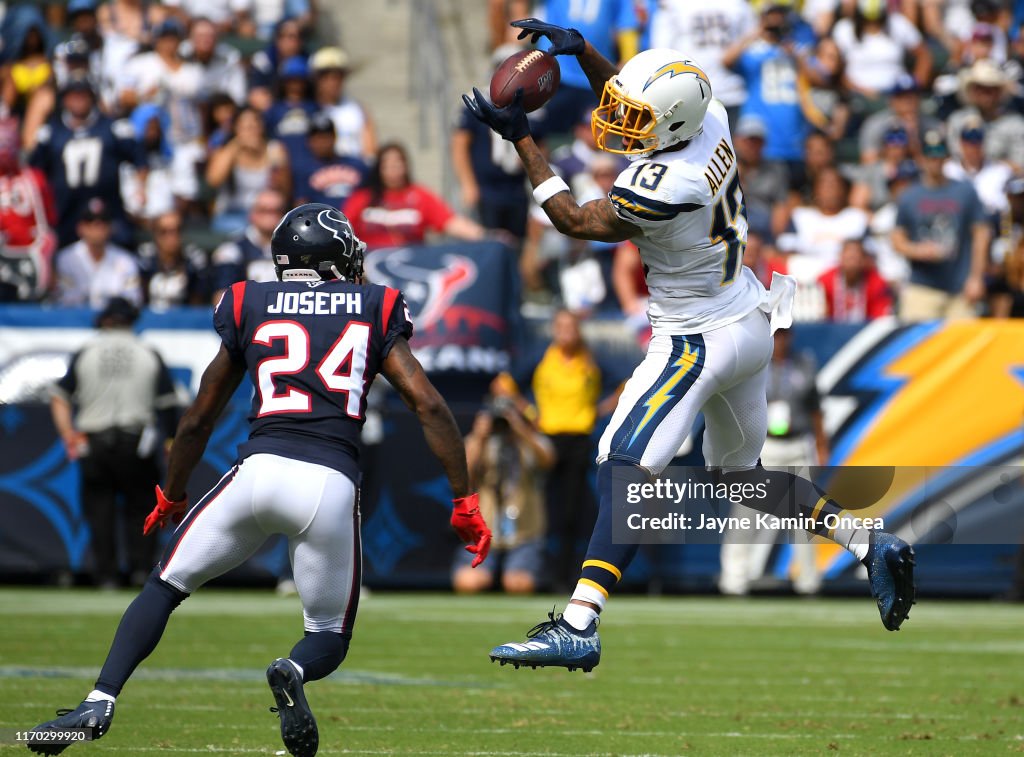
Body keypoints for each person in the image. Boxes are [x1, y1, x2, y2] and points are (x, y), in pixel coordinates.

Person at [464, 19, 916, 672]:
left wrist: (520, 138)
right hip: (749, 322)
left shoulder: (666, 184)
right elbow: (635, 102)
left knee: (622, 465)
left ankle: (579, 622)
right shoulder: (712, 120)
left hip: (695, 340)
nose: (616, 118)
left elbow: (571, 218)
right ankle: (868, 540)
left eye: (633, 116)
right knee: (743, 477)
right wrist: (584, 51)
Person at [27, 203, 492, 757]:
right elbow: (431, 407)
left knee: (164, 587)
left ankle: (100, 698)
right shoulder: (375, 304)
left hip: (255, 473)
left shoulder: (249, 300)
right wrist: (464, 499)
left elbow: (199, 415)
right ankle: (292, 668)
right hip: (328, 482)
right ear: (332, 257)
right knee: (327, 636)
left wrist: (172, 492)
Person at [49, 297, 180, 589]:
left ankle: (106, 576)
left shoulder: (87, 350)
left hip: (94, 440)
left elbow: (59, 396)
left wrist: (69, 434)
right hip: (137, 442)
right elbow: (168, 405)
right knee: (141, 510)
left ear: (105, 320)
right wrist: (170, 441)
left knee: (99, 511)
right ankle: (140, 572)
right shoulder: (148, 352)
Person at [719, 327, 828, 596]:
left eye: (785, 335)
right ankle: (733, 580)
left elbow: (815, 408)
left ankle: (808, 581)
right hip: (764, 445)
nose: (781, 341)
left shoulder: (804, 365)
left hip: (798, 442)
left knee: (805, 519)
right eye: (776, 335)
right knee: (746, 514)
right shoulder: (755, 366)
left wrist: (822, 445)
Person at [29, 73, 145, 249]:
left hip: (109, 212)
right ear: (64, 99)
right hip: (65, 213)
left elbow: (139, 158)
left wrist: (140, 190)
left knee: (124, 247)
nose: (78, 99)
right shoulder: (50, 132)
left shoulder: (113, 127)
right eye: (73, 94)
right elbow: (35, 171)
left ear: (92, 97)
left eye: (83, 94)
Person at [453, 396, 554, 595]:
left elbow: (548, 460)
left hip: (524, 531)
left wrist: (520, 429)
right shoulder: (480, 442)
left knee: (518, 584)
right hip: (484, 531)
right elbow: (462, 474)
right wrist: (479, 436)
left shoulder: (529, 441)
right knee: (468, 582)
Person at [890, 130, 990, 320]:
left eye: (938, 154)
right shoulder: (910, 196)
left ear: (946, 157)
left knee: (965, 345)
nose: (934, 160)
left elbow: (981, 234)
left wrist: (976, 277)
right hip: (922, 287)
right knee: (915, 344)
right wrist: (917, 250)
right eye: (929, 154)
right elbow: (897, 239)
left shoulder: (965, 191)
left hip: (959, 287)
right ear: (921, 157)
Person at [344, 143, 484, 250]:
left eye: (397, 164)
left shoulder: (420, 196)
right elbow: (342, 232)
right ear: (379, 169)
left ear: (406, 166)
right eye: (387, 165)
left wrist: (485, 235)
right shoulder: (362, 198)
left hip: (409, 263)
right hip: (368, 267)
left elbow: (450, 222)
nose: (393, 169)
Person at [53, 198, 143, 308]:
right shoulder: (66, 259)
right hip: (75, 322)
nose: (97, 226)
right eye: (90, 221)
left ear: (110, 227)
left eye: (103, 221)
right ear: (80, 227)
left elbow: (133, 301)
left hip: (115, 323)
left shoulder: (126, 260)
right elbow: (66, 302)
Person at [209, 188, 286, 299]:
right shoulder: (232, 249)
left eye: (277, 211)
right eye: (264, 210)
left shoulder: (295, 248)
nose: (271, 216)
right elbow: (221, 297)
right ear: (252, 214)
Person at [291, 112, 368, 207]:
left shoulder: (358, 165)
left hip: (352, 219)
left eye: (326, 137)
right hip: (319, 219)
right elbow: (300, 204)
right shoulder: (302, 170)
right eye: (318, 138)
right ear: (309, 141)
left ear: (335, 138)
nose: (322, 143)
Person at [817, 237, 893, 321]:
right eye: (849, 256)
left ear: (864, 259)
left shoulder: (877, 283)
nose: (852, 260)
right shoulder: (824, 281)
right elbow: (819, 316)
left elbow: (880, 318)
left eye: (856, 256)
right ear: (840, 257)